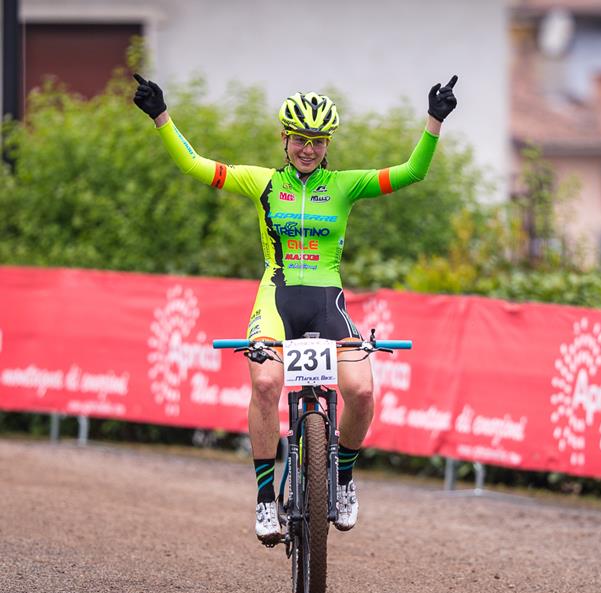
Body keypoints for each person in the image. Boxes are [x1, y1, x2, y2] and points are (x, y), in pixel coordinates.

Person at [133, 74, 459, 545]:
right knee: (266, 382)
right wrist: (160, 115)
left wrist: (434, 120)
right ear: (284, 139)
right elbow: (194, 165)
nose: (308, 149)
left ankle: (343, 477)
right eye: (301, 139)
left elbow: (412, 172)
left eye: (318, 141)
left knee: (361, 392)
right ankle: (267, 499)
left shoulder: (345, 186)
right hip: (277, 296)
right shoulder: (262, 182)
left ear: (328, 145)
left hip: (328, 302)